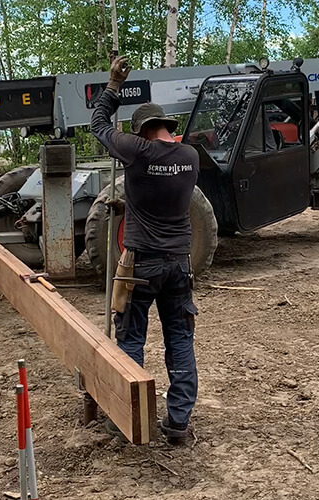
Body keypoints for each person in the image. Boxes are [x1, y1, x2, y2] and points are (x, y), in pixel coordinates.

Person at [90, 56, 199, 441]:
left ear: (141, 132)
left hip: (140, 266)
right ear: (168, 128)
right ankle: (178, 424)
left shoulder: (138, 152)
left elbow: (98, 125)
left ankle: (128, 417)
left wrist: (113, 86)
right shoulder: (189, 157)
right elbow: (162, 198)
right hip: (179, 266)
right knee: (180, 340)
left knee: (131, 340)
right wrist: (129, 206)